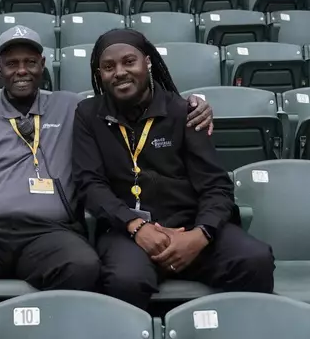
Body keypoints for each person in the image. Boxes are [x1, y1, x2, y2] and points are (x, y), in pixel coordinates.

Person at [0, 25, 214, 299]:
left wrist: (194, 104)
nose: (21, 70)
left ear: (43, 65)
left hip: (50, 233)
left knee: (83, 266)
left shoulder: (74, 108)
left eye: (30, 62)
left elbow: (130, 98)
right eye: (12, 63)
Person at [72, 28, 275, 310]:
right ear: (99, 74)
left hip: (190, 226)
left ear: (148, 62)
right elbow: (90, 184)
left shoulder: (184, 111)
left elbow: (216, 186)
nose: (119, 72)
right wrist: (136, 226)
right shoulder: (87, 114)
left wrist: (199, 235)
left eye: (129, 61)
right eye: (108, 67)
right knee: (125, 280)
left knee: (254, 259)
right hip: (127, 231)